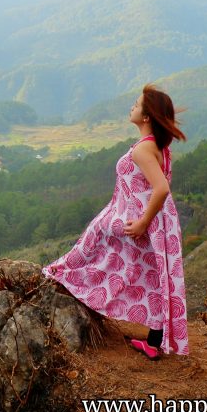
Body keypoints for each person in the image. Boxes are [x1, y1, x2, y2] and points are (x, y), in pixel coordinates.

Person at [43, 84, 189, 359]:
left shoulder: (143, 151)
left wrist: (144, 222)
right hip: (159, 222)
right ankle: (154, 343)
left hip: (146, 221)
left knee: (97, 247)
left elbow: (161, 188)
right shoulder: (157, 147)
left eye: (136, 104)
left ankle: (63, 280)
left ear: (147, 117)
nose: (131, 107)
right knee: (152, 277)